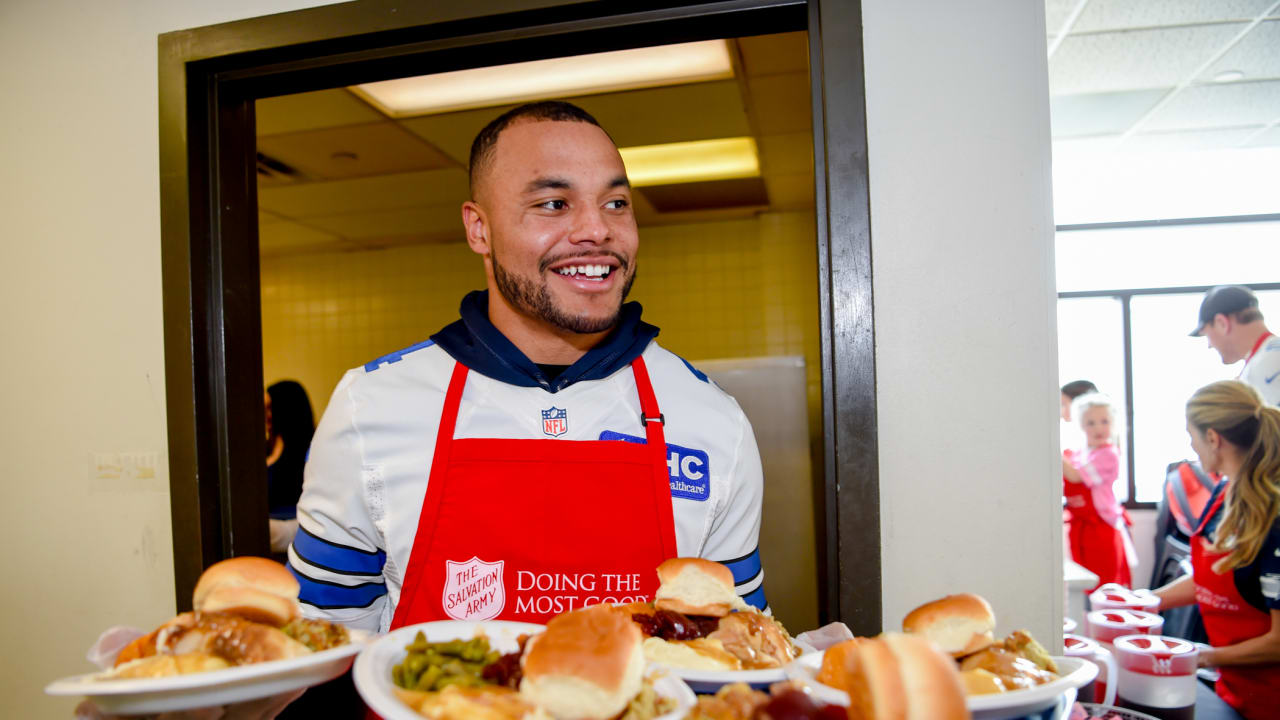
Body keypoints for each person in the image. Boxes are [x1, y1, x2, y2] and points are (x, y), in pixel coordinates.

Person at [286, 101, 767, 633]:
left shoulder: (713, 421)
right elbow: (323, 647)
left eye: (615, 202)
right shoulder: (370, 407)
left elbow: (738, 646)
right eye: (555, 203)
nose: (596, 230)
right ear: (479, 230)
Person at [1149, 380, 1280, 720]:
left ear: (1213, 438)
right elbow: (1212, 580)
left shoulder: (1274, 519)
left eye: (1191, 435)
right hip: (1235, 691)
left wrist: (1203, 657)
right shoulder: (1225, 493)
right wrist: (1147, 600)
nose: (1191, 446)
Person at [1062, 392, 1135, 589]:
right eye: (1090, 423)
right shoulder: (1081, 453)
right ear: (1081, 426)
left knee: (1104, 582)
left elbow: (1076, 476)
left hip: (1101, 526)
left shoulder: (1108, 454)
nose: (1098, 428)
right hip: (1081, 526)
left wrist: (1055, 451)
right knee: (1085, 582)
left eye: (1104, 421)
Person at [1191, 285, 1280, 406]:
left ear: (1221, 323)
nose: (1209, 345)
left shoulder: (1263, 367)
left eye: (1206, 334)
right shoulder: (1267, 357)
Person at [265, 380, 314, 554]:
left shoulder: (309, 454)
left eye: (271, 408)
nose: (267, 415)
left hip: (294, 543)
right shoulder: (261, 449)